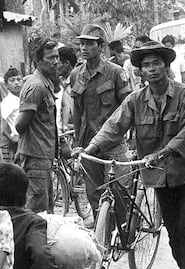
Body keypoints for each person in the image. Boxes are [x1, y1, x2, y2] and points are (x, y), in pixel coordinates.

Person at [82, 41, 185, 269]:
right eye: (146, 65)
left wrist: (159, 154)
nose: (152, 69)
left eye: (156, 64)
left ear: (166, 66)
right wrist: (90, 148)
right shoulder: (135, 100)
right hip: (159, 177)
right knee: (172, 228)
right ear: (140, 71)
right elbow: (114, 126)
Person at [70, 24, 133, 216]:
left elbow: (128, 107)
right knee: (94, 193)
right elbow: (77, 112)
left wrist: (131, 137)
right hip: (88, 144)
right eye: (81, 44)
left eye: (89, 44)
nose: (83, 48)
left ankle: (124, 236)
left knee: (119, 192)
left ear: (101, 46)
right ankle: (102, 237)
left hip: (113, 143)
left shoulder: (115, 72)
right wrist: (76, 142)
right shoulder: (76, 75)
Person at [15, 36, 60, 212]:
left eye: (57, 57)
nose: (56, 62)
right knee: (36, 208)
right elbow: (20, 125)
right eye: (51, 58)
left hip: (43, 155)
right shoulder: (36, 87)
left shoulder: (45, 83)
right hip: (35, 156)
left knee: (45, 206)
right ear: (38, 60)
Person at [0, 67, 23, 163]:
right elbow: (1, 122)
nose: (16, 83)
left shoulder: (23, 98)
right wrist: (11, 137)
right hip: (15, 143)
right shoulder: (8, 101)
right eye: (12, 81)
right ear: (6, 86)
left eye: (18, 79)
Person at [57, 45, 77, 133]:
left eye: (58, 63)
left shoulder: (78, 81)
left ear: (66, 63)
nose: (55, 66)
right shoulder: (57, 82)